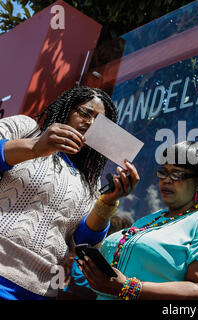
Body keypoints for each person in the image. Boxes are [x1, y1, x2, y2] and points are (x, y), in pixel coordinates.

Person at [0, 86, 139, 300]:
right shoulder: (27, 129)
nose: (90, 123)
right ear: (65, 110)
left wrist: (108, 202)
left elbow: (82, 242)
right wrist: (36, 146)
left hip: (38, 291)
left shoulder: (89, 184)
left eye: (99, 124)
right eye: (84, 113)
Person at [78, 141, 198, 300]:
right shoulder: (151, 220)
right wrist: (108, 200)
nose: (166, 180)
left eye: (176, 174)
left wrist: (126, 287)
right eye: (164, 172)